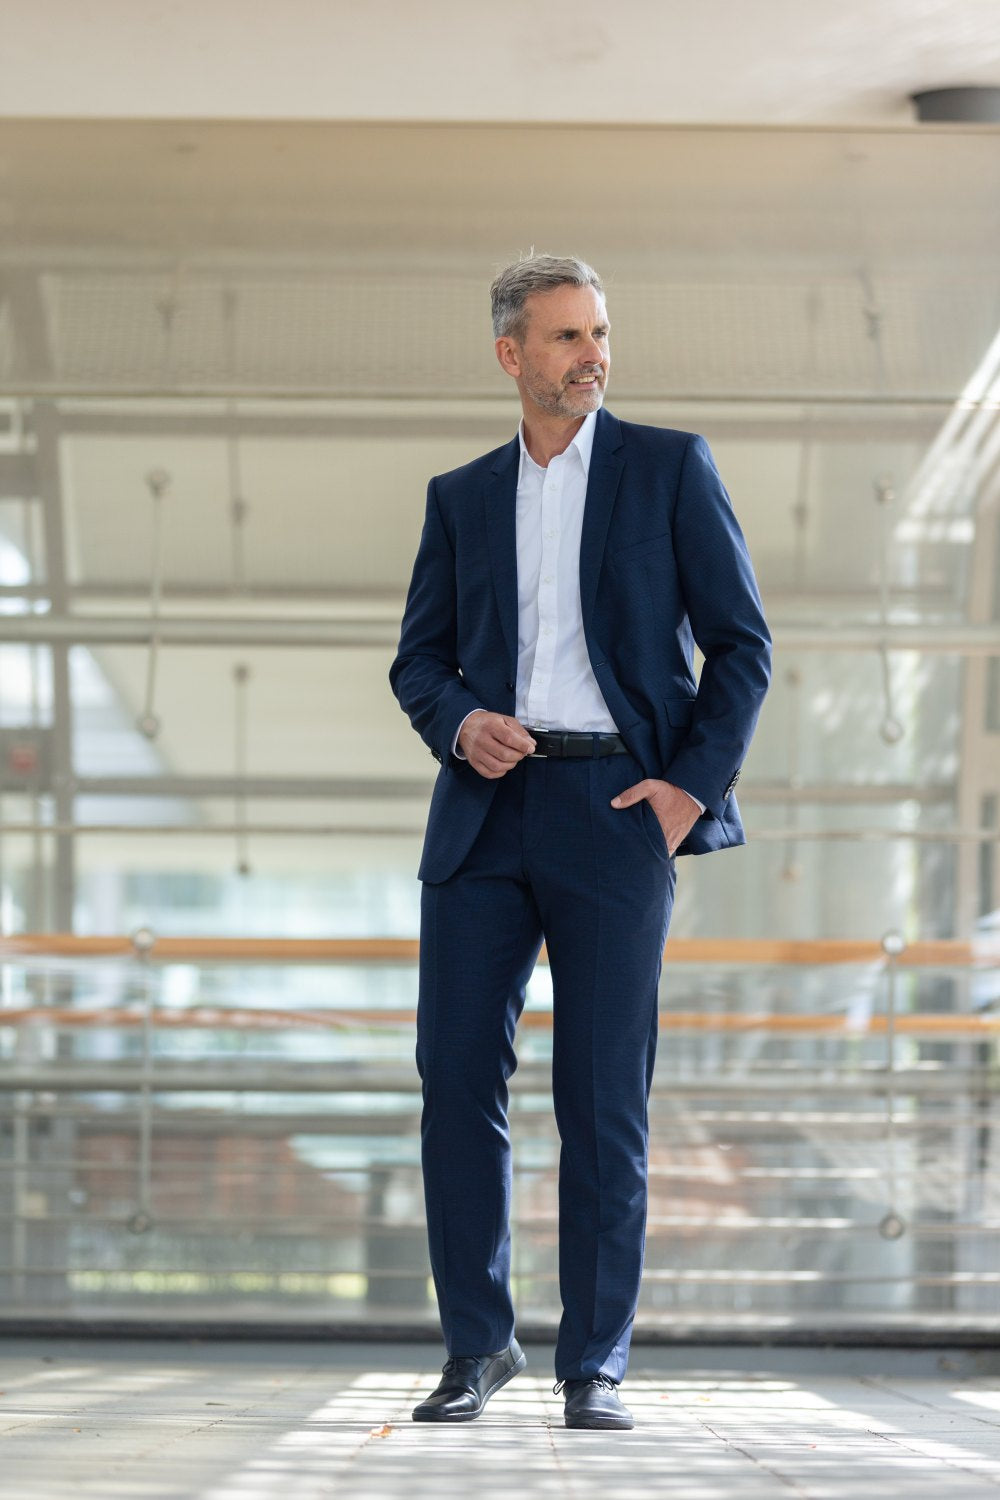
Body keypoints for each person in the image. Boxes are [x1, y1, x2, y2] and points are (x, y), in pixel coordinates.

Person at [389, 254, 770, 1430]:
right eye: (563, 338)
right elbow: (418, 660)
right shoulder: (460, 497)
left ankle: (592, 1364)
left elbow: (741, 647)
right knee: (456, 1083)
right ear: (511, 355)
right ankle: (477, 1348)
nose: (590, 355)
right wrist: (462, 724)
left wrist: (681, 795)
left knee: (605, 1098)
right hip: (487, 816)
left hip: (617, 813)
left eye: (598, 332)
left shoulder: (668, 468)